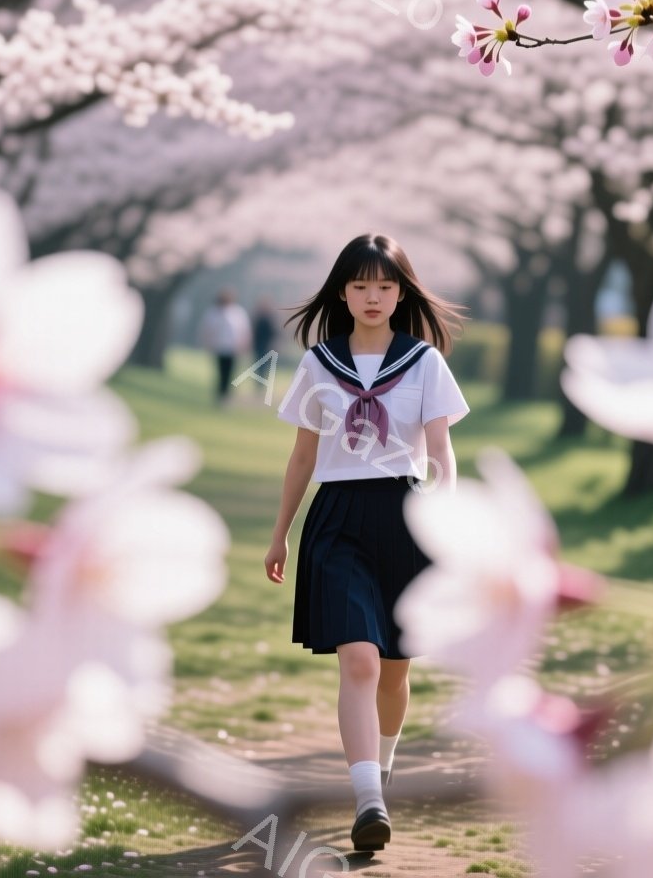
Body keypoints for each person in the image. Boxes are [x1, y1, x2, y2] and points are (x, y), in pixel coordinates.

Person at [264, 234, 470, 854]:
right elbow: (303, 454)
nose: (372, 297)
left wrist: (447, 513)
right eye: (360, 286)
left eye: (385, 285)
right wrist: (281, 533)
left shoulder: (425, 362)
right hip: (338, 518)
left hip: (407, 515)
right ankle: (368, 802)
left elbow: (441, 451)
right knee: (360, 658)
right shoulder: (317, 364)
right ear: (342, 292)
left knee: (395, 667)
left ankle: (378, 773)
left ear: (402, 291)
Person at [198, 288, 251, 405]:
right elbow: (207, 329)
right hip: (219, 347)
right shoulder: (213, 312)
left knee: (230, 373)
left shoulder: (238, 312)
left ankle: (226, 395)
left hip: (233, 348)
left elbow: (244, 330)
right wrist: (207, 343)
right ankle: (220, 394)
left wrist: (244, 345)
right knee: (221, 372)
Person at [252, 295, 279, 364]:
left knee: (265, 364)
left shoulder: (270, 318)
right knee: (259, 362)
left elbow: (274, 332)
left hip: (267, 345)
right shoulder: (258, 317)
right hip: (259, 345)